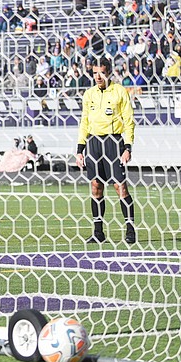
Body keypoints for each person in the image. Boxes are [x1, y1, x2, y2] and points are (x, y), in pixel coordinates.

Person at [75, 57, 137, 245]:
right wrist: (80, 149)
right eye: (94, 73)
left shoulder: (119, 92)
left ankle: (130, 229)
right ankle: (98, 232)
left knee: (120, 187)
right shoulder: (89, 94)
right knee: (96, 187)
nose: (98, 76)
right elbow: (84, 122)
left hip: (114, 142)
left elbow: (129, 121)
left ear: (108, 72)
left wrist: (127, 147)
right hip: (94, 143)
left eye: (101, 72)